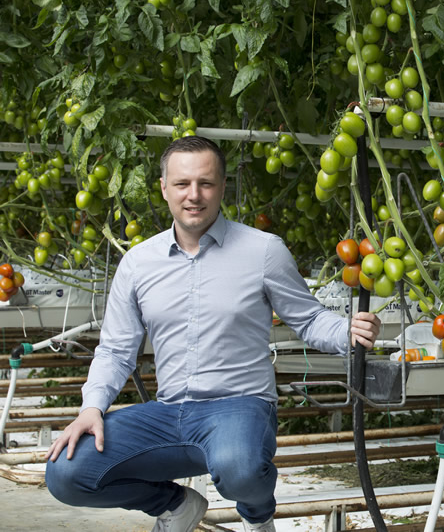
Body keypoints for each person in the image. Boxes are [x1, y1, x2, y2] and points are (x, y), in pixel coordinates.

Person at [44, 136, 382, 532]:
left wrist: (348, 330)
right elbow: (116, 350)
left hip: (239, 406)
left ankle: (258, 519)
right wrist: (91, 408)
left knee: (240, 468)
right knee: (67, 471)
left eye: (205, 183)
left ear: (222, 187)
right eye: (183, 184)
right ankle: (174, 506)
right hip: (168, 414)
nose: (194, 195)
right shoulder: (138, 264)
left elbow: (307, 319)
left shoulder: (263, 251)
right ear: (164, 188)